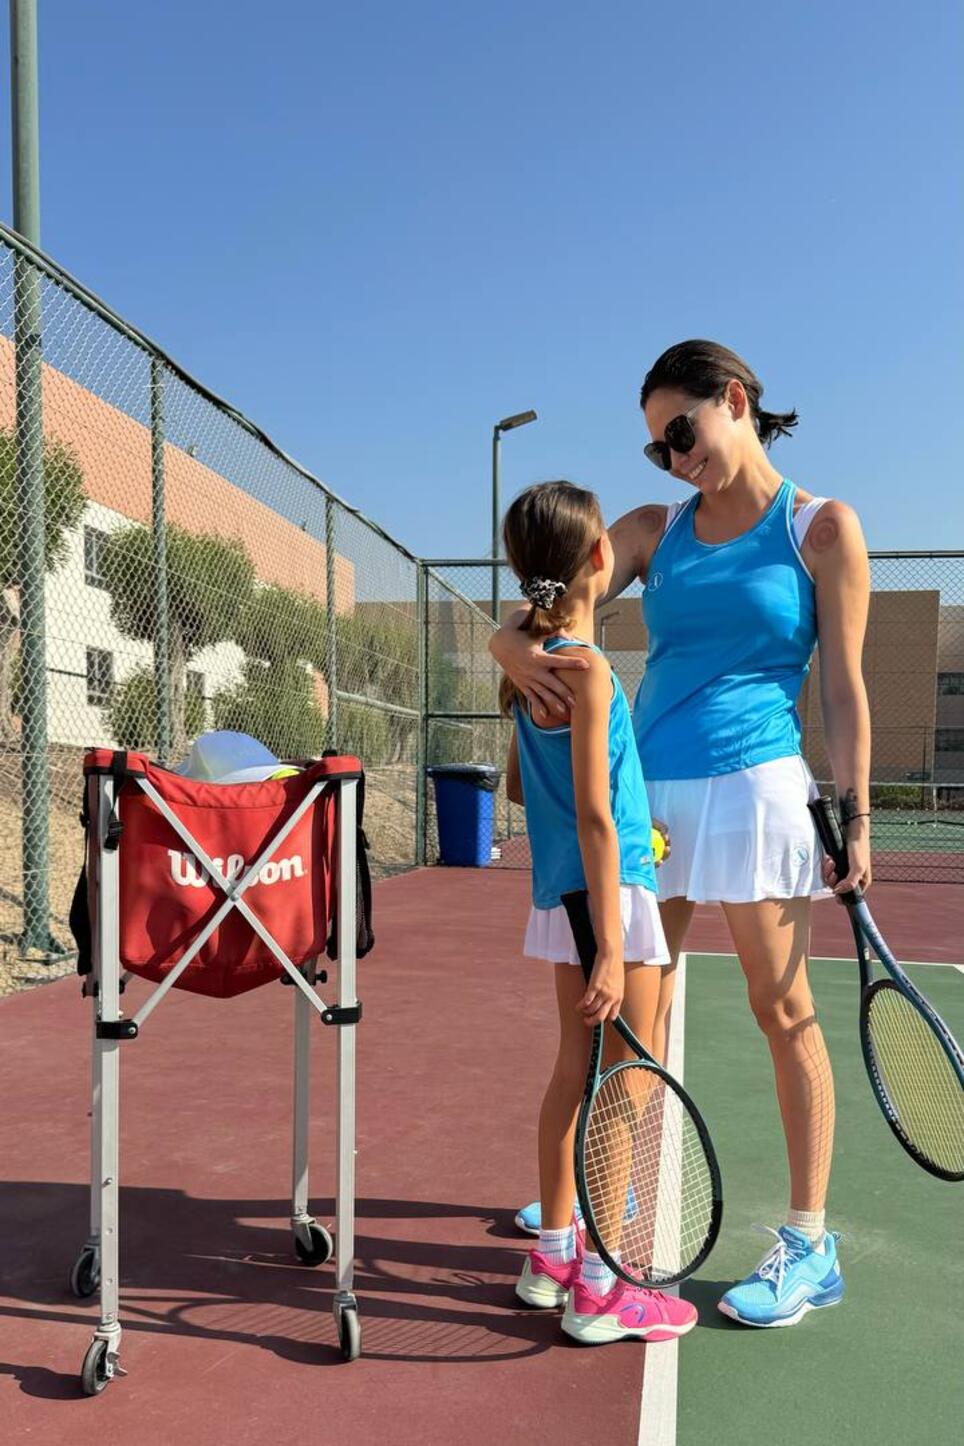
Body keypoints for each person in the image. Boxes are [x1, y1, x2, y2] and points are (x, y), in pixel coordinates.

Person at [493, 341, 870, 1328]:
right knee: (626, 1026)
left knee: (781, 1009)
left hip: (758, 790)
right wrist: (503, 640)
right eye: (657, 447)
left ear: (733, 400)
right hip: (647, 801)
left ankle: (808, 1243)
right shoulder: (655, 529)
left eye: (680, 432)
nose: (672, 457)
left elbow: (841, 687)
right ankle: (590, 1218)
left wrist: (857, 814)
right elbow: (557, 591)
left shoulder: (821, 529)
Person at [501, 480, 698, 1346]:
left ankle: (552, 1258)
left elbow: (524, 789)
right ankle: (605, 1290)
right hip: (609, 902)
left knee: (571, 1077)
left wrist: (631, 818)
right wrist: (613, 949)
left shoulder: (529, 669)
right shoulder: (590, 672)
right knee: (625, 1090)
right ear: (599, 558)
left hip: (563, 895)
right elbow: (590, 814)